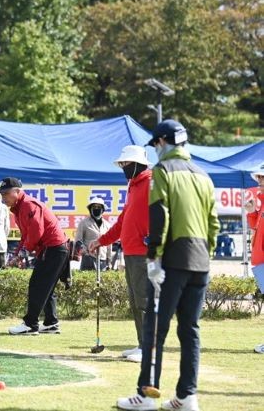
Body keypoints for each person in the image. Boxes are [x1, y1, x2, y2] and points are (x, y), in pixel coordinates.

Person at [117, 119, 219, 411]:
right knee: (190, 330)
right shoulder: (202, 174)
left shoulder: (162, 171)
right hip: (200, 260)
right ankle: (187, 397)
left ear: (162, 142)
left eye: (156, 144)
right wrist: (206, 255)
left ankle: (146, 396)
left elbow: (160, 216)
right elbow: (213, 224)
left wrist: (153, 258)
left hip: (172, 259)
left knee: (154, 330)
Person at [89, 145, 151, 363]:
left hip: (146, 253)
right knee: (136, 301)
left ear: (138, 164)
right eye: (122, 164)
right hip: (131, 252)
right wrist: (101, 240)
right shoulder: (133, 186)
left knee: (145, 301)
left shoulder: (152, 183)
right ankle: (142, 344)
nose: (123, 167)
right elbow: (123, 221)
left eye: (126, 163)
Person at [0, 177, 68, 335]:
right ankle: (51, 323)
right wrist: (16, 254)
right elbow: (26, 236)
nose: (3, 197)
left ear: (17, 191)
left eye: (6, 193)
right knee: (46, 287)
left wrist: (24, 252)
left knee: (37, 285)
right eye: (2, 194)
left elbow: (37, 232)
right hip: (53, 249)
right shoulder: (18, 209)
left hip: (54, 248)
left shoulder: (28, 205)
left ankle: (30, 324)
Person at [245, 164, 264, 354]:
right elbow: (256, 227)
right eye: (259, 177)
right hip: (260, 260)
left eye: (263, 178)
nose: (259, 181)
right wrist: (252, 212)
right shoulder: (261, 201)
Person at [75, 197, 111, 271]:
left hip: (103, 259)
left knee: (103, 278)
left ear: (103, 209)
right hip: (88, 259)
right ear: (90, 209)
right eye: (94, 207)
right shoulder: (83, 223)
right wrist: (87, 252)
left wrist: (109, 261)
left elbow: (109, 245)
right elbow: (78, 242)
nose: (96, 209)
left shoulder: (107, 225)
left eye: (99, 207)